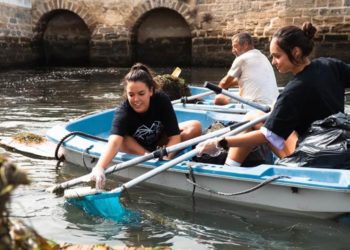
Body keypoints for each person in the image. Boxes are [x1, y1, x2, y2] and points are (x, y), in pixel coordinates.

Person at [197, 22, 350, 167]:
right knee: (255, 116)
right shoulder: (331, 65)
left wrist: (219, 143)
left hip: (312, 156)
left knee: (258, 123)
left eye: (277, 56)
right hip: (341, 146)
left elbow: (266, 136)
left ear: (295, 52)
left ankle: (228, 171)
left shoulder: (292, 91)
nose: (273, 62)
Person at [90, 63, 202, 189]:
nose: (136, 99)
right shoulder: (123, 110)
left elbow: (175, 136)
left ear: (151, 91)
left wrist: (166, 157)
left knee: (195, 126)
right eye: (131, 94)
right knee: (123, 140)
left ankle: (159, 155)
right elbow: (114, 142)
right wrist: (100, 167)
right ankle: (149, 157)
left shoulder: (162, 100)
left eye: (141, 93)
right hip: (137, 148)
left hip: (160, 144)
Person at [214, 32, 279, 106]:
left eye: (235, 46)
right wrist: (231, 84)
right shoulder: (262, 56)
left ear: (245, 45)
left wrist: (219, 91)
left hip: (255, 104)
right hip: (274, 104)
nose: (233, 50)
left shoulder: (242, 59)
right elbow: (248, 79)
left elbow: (223, 84)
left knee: (218, 99)